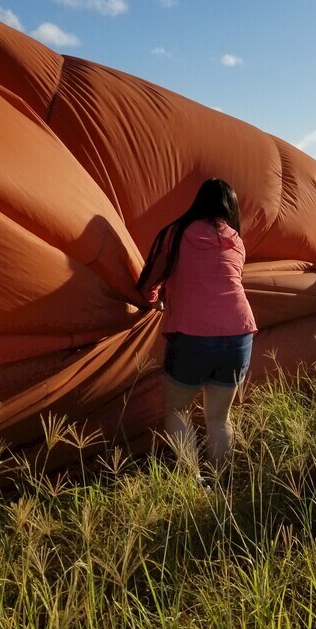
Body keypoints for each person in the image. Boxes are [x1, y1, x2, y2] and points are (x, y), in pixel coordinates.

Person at [137, 178, 256, 478]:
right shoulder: (236, 239)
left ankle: (193, 481)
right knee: (219, 418)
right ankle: (218, 482)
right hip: (239, 333)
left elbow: (149, 281)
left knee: (177, 412)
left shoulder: (176, 234)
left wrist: (154, 301)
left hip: (192, 334)